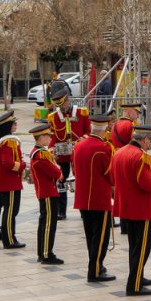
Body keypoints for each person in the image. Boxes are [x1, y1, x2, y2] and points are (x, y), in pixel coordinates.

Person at [112, 124, 151, 296]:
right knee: (142, 247)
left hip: (127, 205)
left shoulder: (119, 152)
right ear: (144, 139)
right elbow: (146, 183)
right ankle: (134, 285)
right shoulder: (140, 156)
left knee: (135, 246)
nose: (149, 145)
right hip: (141, 207)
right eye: (150, 141)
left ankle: (138, 276)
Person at [72, 113, 115, 282]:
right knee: (101, 237)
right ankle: (95, 270)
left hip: (83, 198)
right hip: (99, 198)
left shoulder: (78, 146)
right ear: (105, 129)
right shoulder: (104, 148)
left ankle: (97, 265)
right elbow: (110, 174)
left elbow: (75, 170)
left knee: (91, 236)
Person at [48, 87, 91, 220]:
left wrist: (81, 141)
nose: (62, 108)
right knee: (61, 182)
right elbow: (52, 136)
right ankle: (62, 211)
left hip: (79, 153)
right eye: (59, 106)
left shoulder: (81, 112)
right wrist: (51, 150)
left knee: (81, 182)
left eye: (64, 104)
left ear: (68, 100)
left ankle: (84, 210)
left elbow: (88, 132)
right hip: (62, 155)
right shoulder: (53, 117)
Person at [29, 122, 64, 265]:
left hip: (45, 191)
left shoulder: (37, 152)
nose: (50, 138)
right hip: (48, 192)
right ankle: (46, 254)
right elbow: (57, 174)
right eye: (47, 136)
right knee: (49, 224)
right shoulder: (41, 154)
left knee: (44, 222)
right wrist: (58, 169)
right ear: (40, 137)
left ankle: (42, 252)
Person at [0, 112, 25, 250]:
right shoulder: (8, 142)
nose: (16, 125)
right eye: (14, 123)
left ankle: (10, 237)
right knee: (10, 211)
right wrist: (23, 166)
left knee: (10, 211)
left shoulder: (1, 141)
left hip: (6, 181)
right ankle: (9, 240)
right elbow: (7, 163)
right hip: (10, 182)